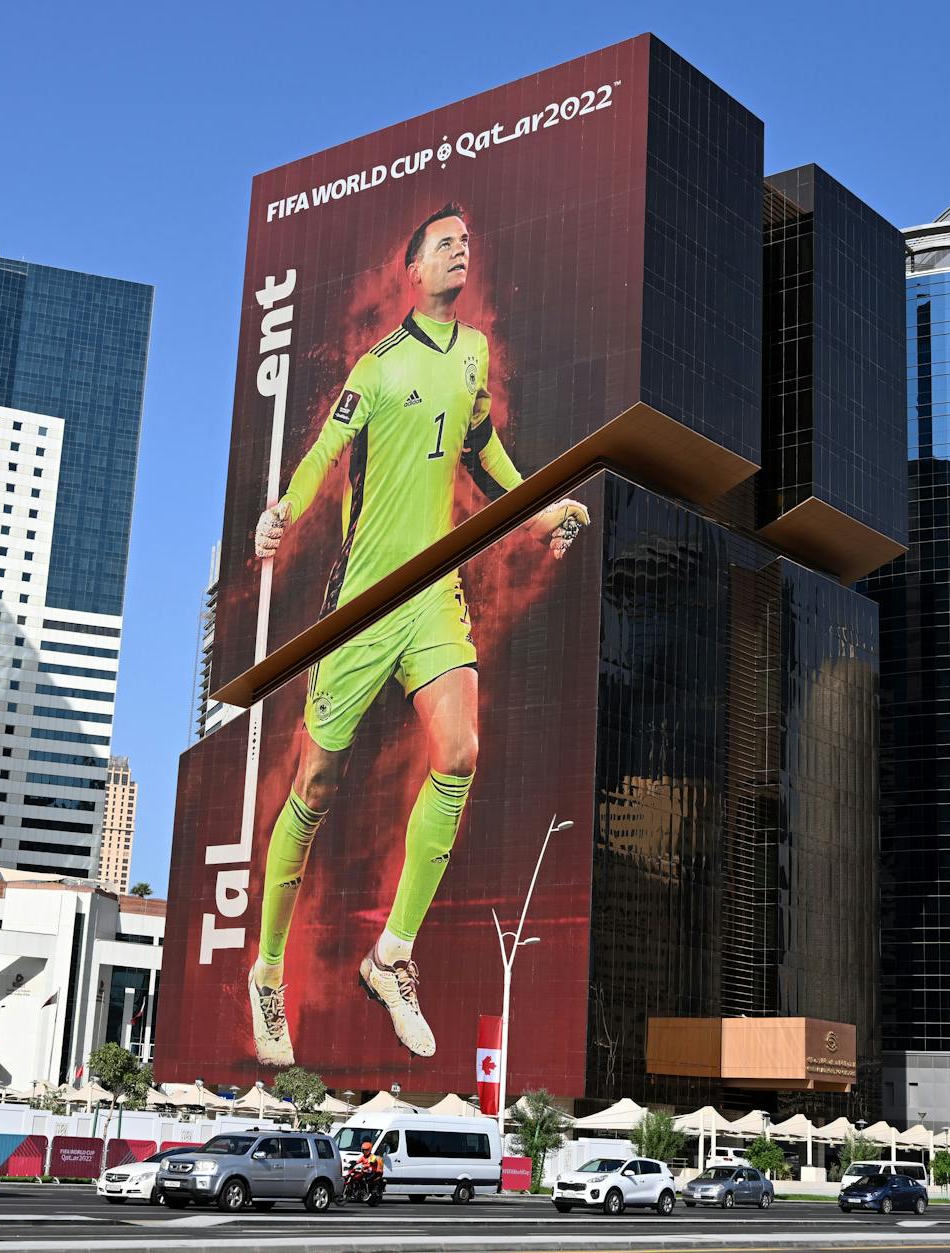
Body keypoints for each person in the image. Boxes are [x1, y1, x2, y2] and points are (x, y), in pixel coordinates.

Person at [246, 202, 589, 1065]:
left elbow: (485, 454)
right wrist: (281, 511)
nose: (460, 251)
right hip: (363, 600)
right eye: (444, 243)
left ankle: (392, 953)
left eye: (467, 242)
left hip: (434, 593)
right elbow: (326, 449)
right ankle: (266, 969)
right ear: (412, 265)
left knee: (462, 749)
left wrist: (542, 507)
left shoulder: (473, 354)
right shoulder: (379, 364)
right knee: (315, 785)